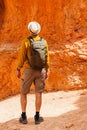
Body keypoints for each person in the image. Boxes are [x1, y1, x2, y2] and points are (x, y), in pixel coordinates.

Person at [17, 21, 49, 125]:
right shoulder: (44, 41)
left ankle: (24, 116)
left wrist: (18, 68)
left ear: (29, 30)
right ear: (38, 30)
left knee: (23, 93)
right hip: (41, 70)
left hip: (28, 70)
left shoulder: (26, 42)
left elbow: (22, 57)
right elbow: (47, 57)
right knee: (38, 93)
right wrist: (47, 69)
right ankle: (37, 117)